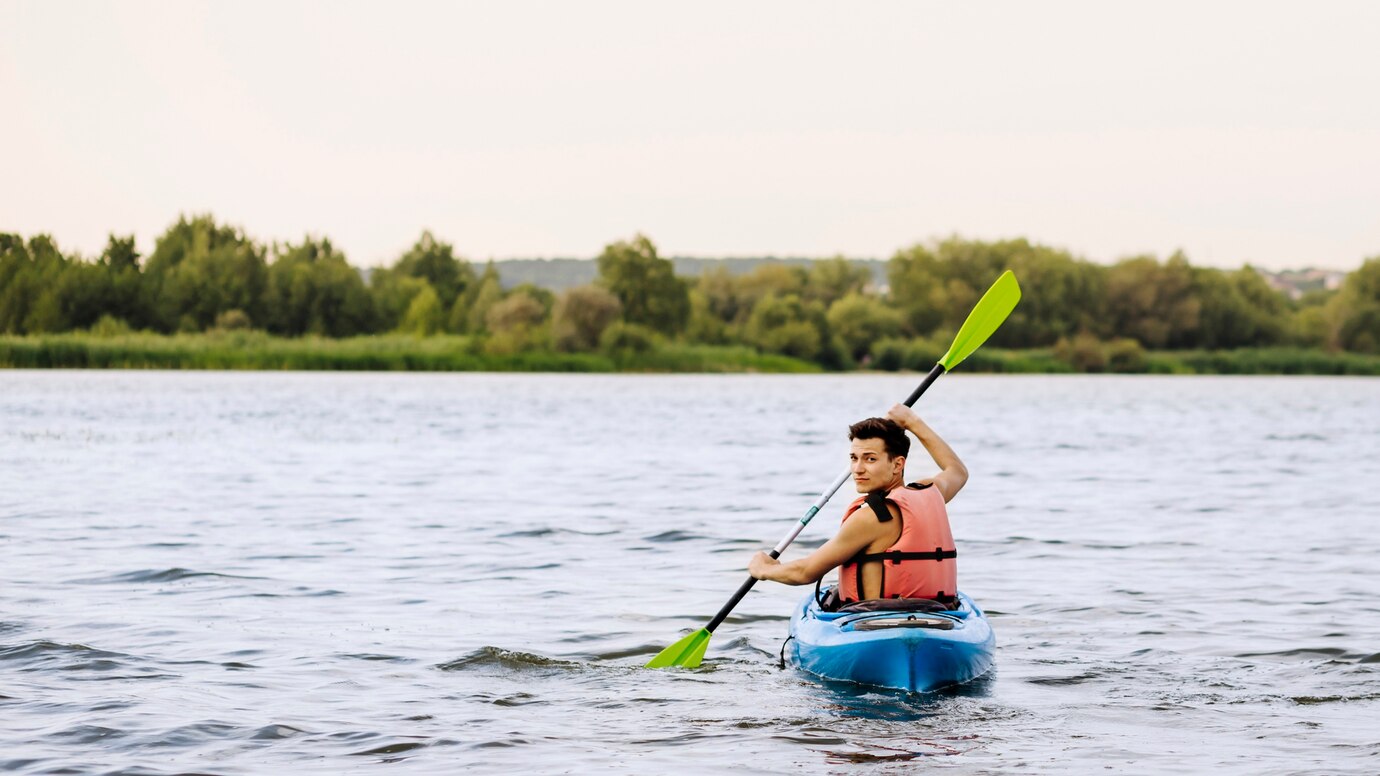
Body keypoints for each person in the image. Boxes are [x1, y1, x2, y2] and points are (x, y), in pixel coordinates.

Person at [747, 404, 968, 606]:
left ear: (897, 464)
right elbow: (957, 471)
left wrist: (765, 569)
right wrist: (912, 421)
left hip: (873, 625)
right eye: (854, 458)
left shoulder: (870, 518)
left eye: (870, 459)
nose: (858, 469)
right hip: (938, 615)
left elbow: (805, 573)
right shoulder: (930, 492)